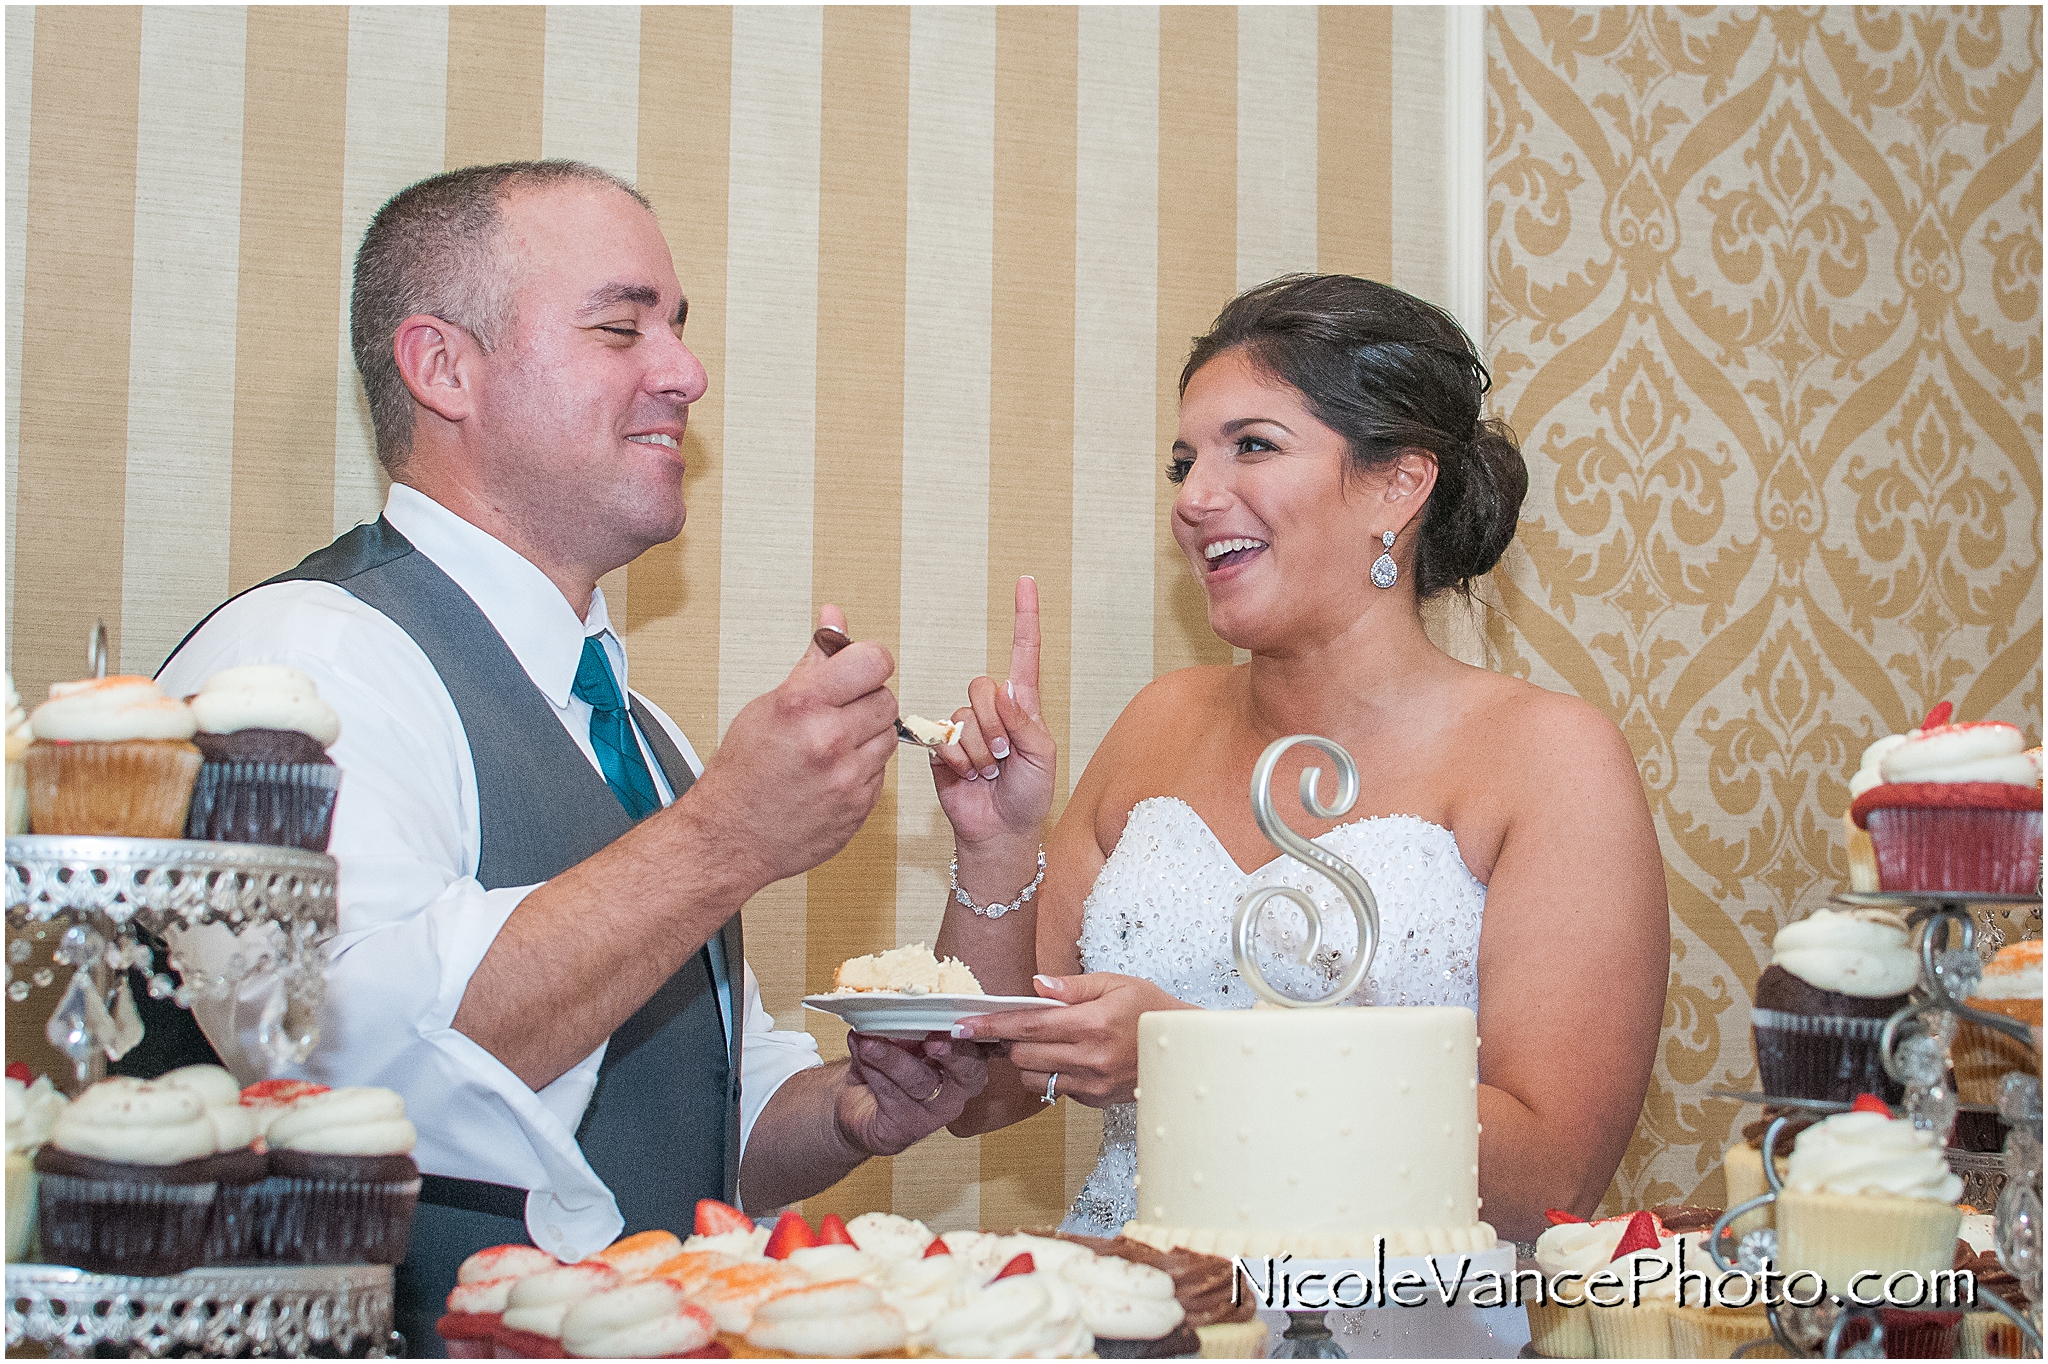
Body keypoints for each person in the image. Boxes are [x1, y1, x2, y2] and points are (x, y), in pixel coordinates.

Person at [155, 160, 985, 1353]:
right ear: (443, 368)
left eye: (679, 329)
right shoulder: (293, 668)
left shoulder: (646, 738)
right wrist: (728, 836)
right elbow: (357, 1070)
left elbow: (716, 1118)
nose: (685, 373)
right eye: (619, 326)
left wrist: (855, 1110)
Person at [923, 274, 1668, 1254]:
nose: (1193, 498)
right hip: (1134, 1308)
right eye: (1183, 461)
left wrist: (1195, 1055)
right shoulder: (1158, 722)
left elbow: (1550, 1178)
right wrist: (995, 848)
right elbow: (981, 1095)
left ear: (1397, 484)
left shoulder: (1546, 757)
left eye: (1252, 447)